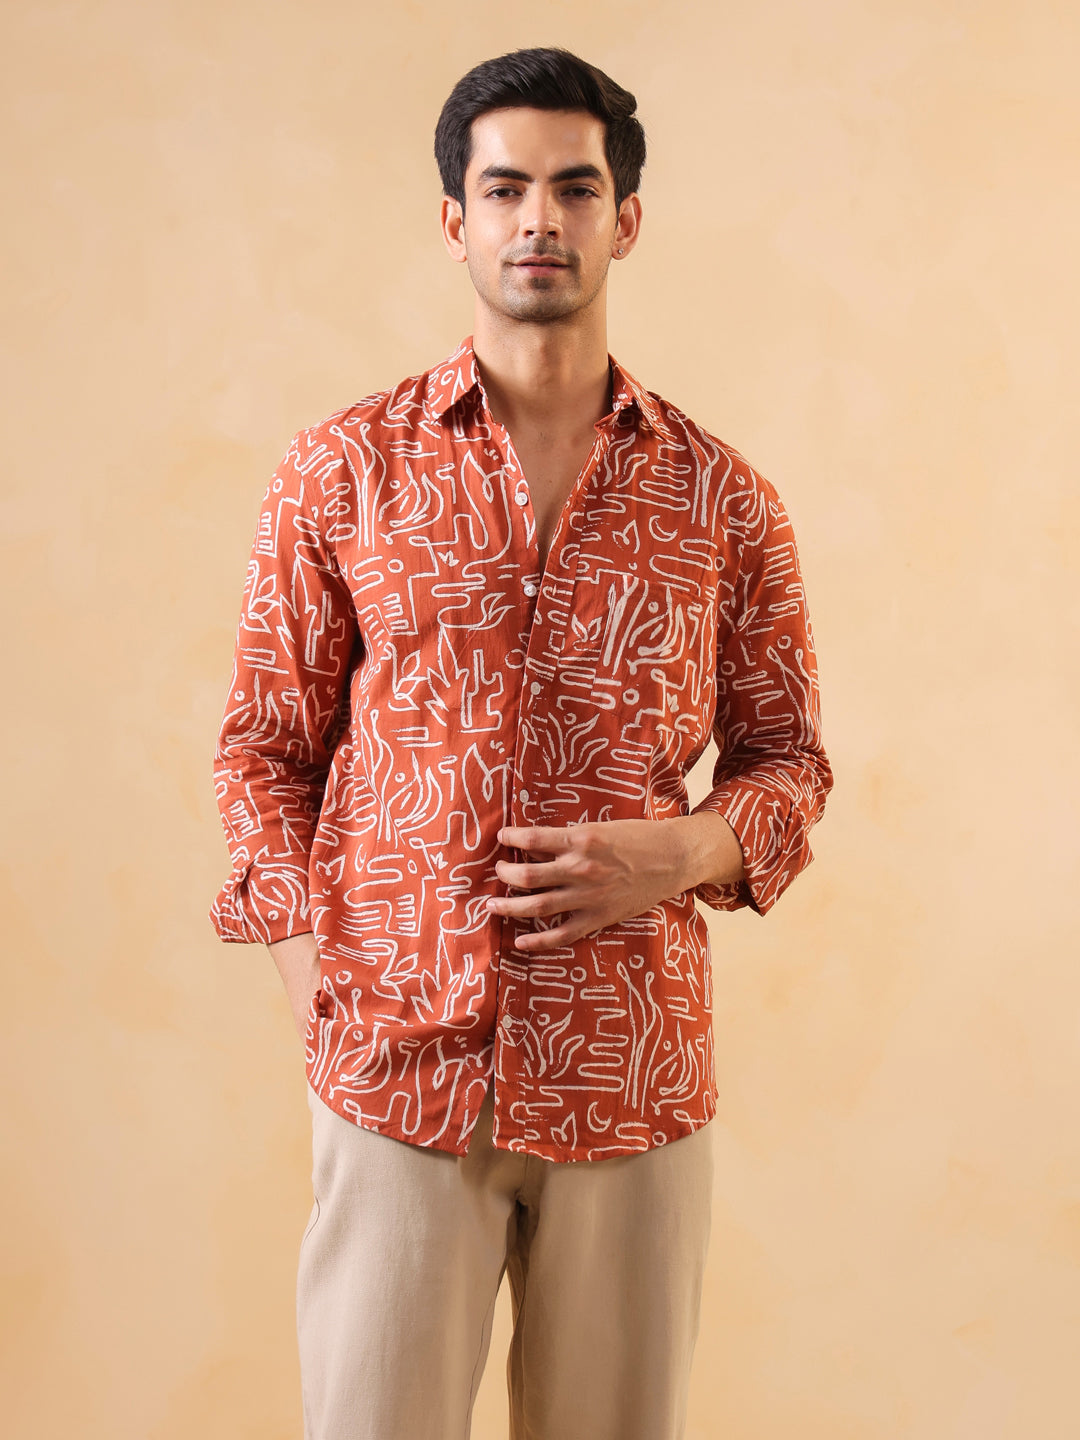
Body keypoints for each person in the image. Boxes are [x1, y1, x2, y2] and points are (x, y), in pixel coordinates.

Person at [210, 45, 832, 1440]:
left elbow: (790, 758)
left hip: (633, 1069)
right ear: (457, 221)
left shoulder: (724, 500)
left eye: (573, 187)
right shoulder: (343, 470)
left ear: (626, 218)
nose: (539, 219)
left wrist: (681, 854)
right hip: (397, 1072)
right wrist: (322, 973)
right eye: (504, 190)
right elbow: (263, 749)